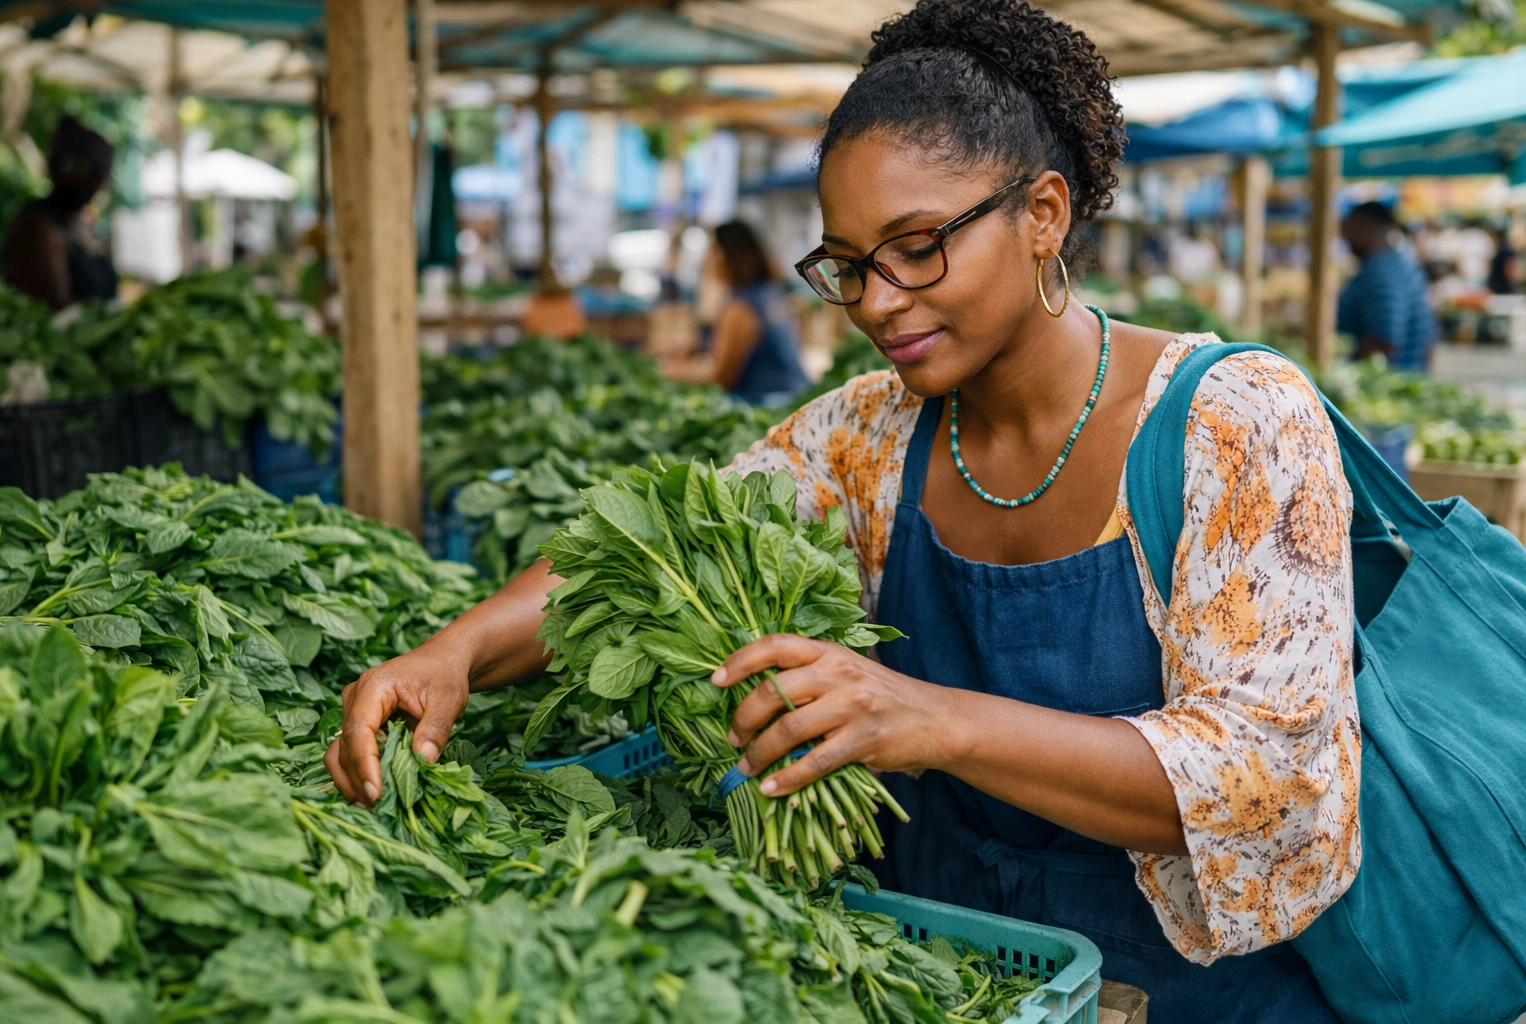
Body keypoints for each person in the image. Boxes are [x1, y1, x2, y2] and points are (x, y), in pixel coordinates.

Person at [325, 2, 1358, 1019]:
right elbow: (656, 547)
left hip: (1195, 993)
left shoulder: (1231, 421)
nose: (876, 301)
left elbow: (1268, 774)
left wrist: (931, 719)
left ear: (1044, 215)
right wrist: (454, 652)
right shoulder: (869, 433)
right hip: (950, 975)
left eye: (918, 247)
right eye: (850, 265)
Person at [662, 220, 809, 405]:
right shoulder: (770, 293)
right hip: (798, 395)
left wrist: (674, 373)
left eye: (714, 249)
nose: (708, 259)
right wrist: (698, 347)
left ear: (731, 254)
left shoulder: (739, 308)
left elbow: (720, 380)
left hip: (769, 404)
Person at [2, 116, 118, 308]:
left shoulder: (81, 221)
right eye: (69, 166)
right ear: (54, 168)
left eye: (90, 173)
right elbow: (54, 305)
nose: (78, 179)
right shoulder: (38, 226)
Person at [1337, 200, 1435, 370]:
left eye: (1349, 228)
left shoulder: (1382, 272)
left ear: (1366, 227)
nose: (1346, 236)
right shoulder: (1396, 262)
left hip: (1392, 375)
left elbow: (1383, 339)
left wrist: (1350, 371)